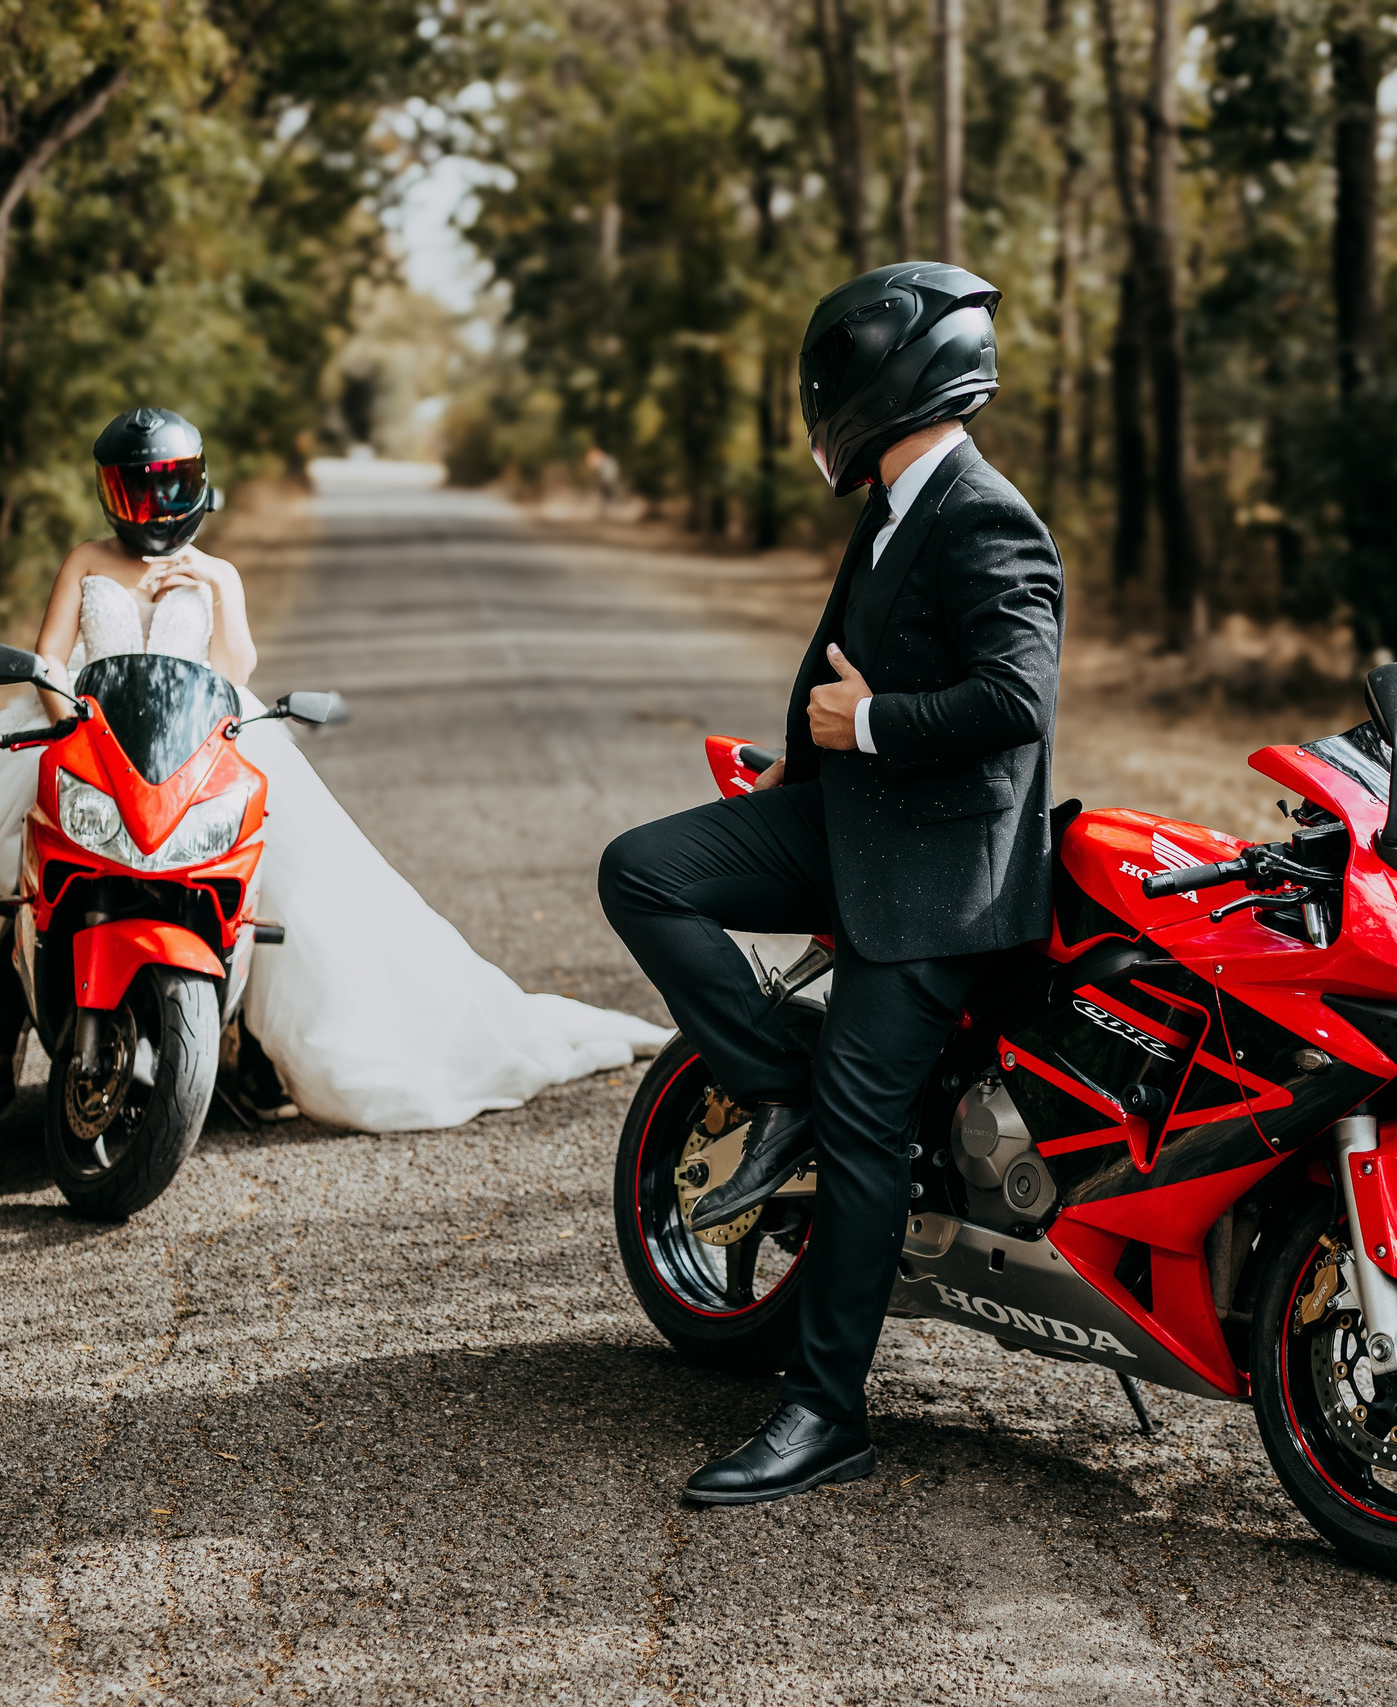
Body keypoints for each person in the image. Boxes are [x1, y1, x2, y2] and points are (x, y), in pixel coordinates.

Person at [598, 263, 1064, 1506]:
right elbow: (838, 677)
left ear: (882, 380)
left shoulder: (984, 512)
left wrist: (868, 730)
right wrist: (795, 771)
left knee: (867, 1128)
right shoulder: (901, 501)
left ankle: (823, 1414)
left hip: (941, 877)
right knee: (643, 871)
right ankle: (778, 1084)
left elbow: (1016, 703)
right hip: (845, 820)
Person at [0, 407, 668, 1142]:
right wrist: (65, 716)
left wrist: (213, 589)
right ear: (110, 493)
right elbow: (51, 655)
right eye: (134, 489)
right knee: (8, 871)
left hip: (190, 736)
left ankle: (249, 1048)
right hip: (90, 730)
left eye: (166, 485)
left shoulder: (219, 571)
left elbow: (236, 670)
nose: (151, 504)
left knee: (269, 875)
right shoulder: (86, 558)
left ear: (196, 486)